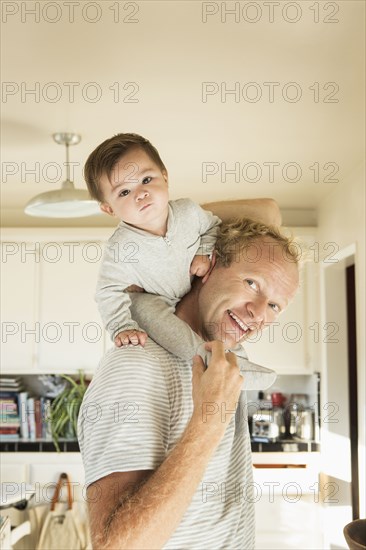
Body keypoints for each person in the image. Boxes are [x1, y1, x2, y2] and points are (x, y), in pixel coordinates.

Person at [78, 217, 300, 549]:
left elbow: (267, 208)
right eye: (252, 283)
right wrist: (208, 421)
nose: (257, 313)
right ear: (207, 266)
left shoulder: (222, 362)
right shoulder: (135, 365)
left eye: (273, 305)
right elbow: (114, 546)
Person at [84, 133, 221, 348]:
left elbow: (213, 226)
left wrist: (204, 251)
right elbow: (108, 291)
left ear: (165, 177)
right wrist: (122, 326)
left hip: (195, 293)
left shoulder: (188, 212)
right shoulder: (121, 247)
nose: (140, 194)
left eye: (146, 180)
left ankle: (236, 359)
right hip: (157, 301)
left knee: (220, 315)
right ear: (109, 209)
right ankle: (200, 355)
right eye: (125, 192)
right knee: (147, 312)